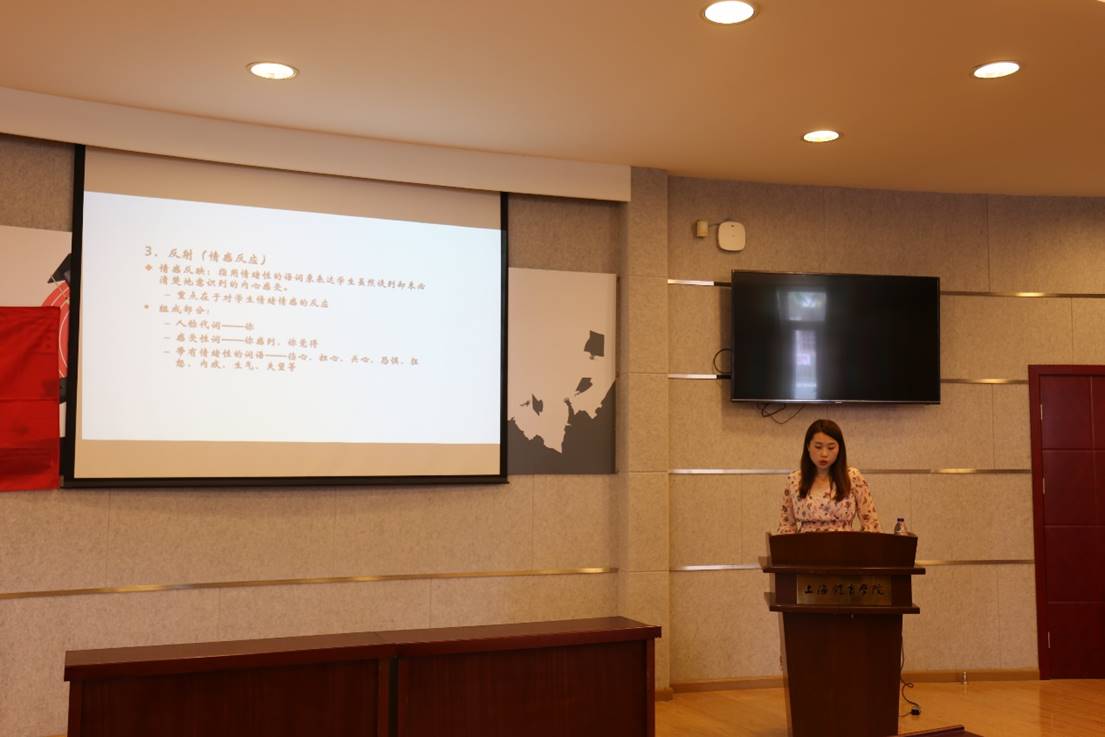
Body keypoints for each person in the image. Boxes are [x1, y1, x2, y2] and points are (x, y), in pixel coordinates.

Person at [777, 419, 880, 534]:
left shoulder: (853, 477)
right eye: (818, 447)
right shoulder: (795, 479)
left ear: (839, 449)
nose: (824, 454)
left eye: (831, 448)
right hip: (806, 544)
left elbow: (871, 524)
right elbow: (786, 526)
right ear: (808, 447)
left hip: (844, 544)